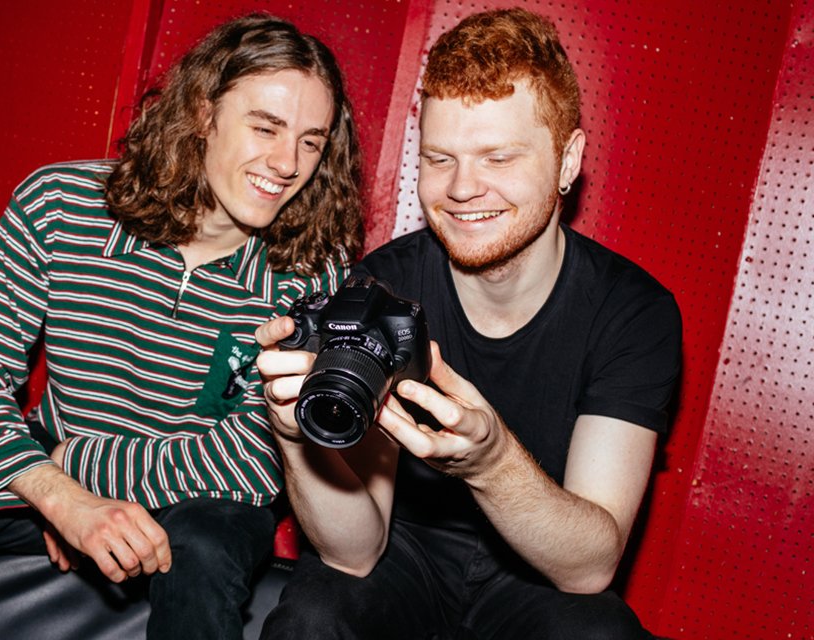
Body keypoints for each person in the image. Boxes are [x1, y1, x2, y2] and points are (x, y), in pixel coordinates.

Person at [0, 13, 361, 640]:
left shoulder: (312, 275)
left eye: (311, 141)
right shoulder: (61, 204)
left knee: (204, 547)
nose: (287, 163)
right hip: (53, 461)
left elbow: (259, 457)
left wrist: (89, 470)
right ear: (203, 113)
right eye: (266, 127)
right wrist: (59, 497)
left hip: (200, 492)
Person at [254, 8, 681, 639]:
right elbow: (356, 552)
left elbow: (590, 566)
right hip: (405, 551)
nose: (462, 188)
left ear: (568, 162)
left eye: (498, 157)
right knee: (315, 613)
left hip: (537, 571)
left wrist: (493, 461)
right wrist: (292, 432)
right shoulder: (381, 289)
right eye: (440, 158)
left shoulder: (632, 313)